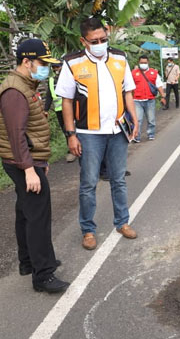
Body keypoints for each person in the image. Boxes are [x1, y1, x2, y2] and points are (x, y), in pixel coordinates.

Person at [55, 17, 139, 251]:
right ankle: (88, 230)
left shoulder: (120, 58)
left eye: (103, 39)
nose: (101, 44)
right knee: (89, 183)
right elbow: (67, 101)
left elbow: (128, 91)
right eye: (95, 41)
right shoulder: (73, 63)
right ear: (84, 40)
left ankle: (122, 222)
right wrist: (71, 134)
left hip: (117, 130)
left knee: (119, 180)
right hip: (88, 133)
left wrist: (134, 118)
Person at [0, 38, 69, 293]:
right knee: (38, 215)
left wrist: (39, 161)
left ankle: (28, 262)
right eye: (41, 63)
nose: (45, 68)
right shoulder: (15, 91)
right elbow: (16, 134)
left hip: (26, 159)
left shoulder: (25, 85)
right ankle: (43, 275)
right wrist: (29, 169)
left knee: (25, 211)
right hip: (21, 161)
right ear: (27, 62)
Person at [44, 61, 76, 163]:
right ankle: (72, 149)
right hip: (59, 110)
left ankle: (80, 148)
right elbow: (49, 96)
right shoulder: (51, 80)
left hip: (72, 108)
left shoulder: (70, 77)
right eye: (54, 67)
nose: (56, 69)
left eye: (57, 66)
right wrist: (45, 110)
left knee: (73, 128)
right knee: (65, 130)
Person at [131, 55, 166, 142]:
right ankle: (137, 137)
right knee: (138, 120)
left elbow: (159, 85)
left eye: (145, 63)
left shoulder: (154, 73)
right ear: (139, 63)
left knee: (151, 119)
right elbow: (129, 87)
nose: (143, 64)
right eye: (142, 63)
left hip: (150, 100)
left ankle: (151, 134)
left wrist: (163, 96)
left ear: (148, 63)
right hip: (137, 101)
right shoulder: (133, 73)